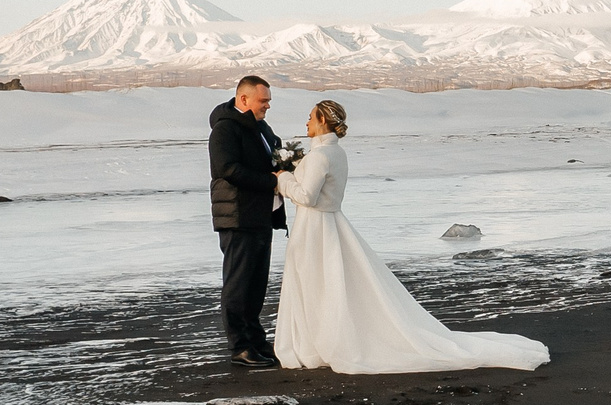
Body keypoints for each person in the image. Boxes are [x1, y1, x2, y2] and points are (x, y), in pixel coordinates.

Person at [272, 98, 549, 374]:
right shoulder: (337, 154)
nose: (306, 122)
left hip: (315, 228)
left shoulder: (320, 156)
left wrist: (282, 180)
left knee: (317, 284)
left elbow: (307, 197)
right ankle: (321, 340)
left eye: (310, 117)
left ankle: (318, 342)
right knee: (328, 285)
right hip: (331, 225)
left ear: (322, 120)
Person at [208, 75, 285, 369]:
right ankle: (240, 346)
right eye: (263, 101)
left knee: (257, 283)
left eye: (268, 101)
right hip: (237, 215)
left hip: (261, 214)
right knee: (238, 283)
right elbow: (227, 169)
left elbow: (272, 156)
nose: (267, 106)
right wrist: (270, 181)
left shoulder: (261, 128)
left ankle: (256, 339)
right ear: (243, 99)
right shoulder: (225, 130)